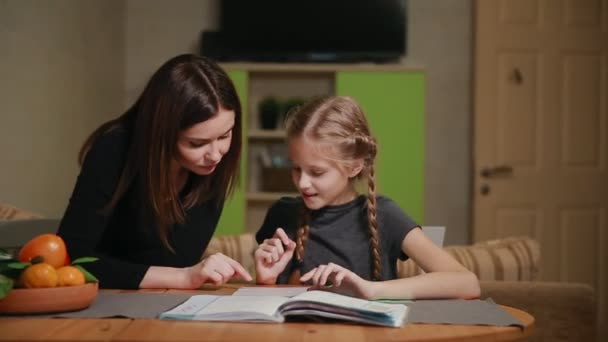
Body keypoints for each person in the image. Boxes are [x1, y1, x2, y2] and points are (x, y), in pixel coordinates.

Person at [254, 96, 480, 300]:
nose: (302, 182)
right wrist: (267, 282)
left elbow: (466, 283)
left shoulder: (385, 215)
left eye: (317, 172)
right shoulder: (282, 213)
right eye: (296, 168)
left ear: (354, 166)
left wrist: (371, 289)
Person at [57, 54, 252, 289]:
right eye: (197, 144)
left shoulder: (213, 164)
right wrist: (183, 278)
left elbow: (180, 259)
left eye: (225, 135)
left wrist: (185, 275)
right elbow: (73, 256)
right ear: (162, 133)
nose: (216, 155)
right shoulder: (115, 148)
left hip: (159, 301)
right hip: (101, 299)